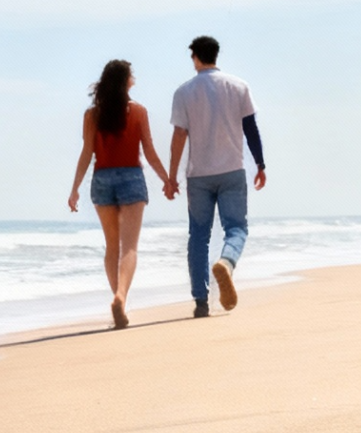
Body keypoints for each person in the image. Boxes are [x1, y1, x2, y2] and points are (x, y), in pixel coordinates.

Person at [67, 59, 175, 329]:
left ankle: (120, 301)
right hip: (130, 178)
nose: (134, 78)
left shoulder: (92, 115)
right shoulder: (138, 112)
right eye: (132, 75)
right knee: (129, 247)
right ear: (126, 80)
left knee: (112, 247)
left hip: (101, 179)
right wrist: (167, 180)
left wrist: (75, 189)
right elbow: (148, 151)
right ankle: (121, 297)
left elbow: (86, 153)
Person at [166, 35, 265, 318]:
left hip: (199, 175)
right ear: (216, 56)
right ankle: (227, 262)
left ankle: (200, 302)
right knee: (236, 229)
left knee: (198, 236)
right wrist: (260, 164)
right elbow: (251, 129)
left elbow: (179, 135)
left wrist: (172, 177)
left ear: (195, 57)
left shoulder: (184, 92)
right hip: (232, 170)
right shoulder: (238, 86)